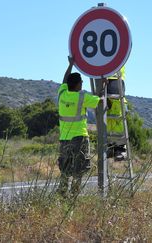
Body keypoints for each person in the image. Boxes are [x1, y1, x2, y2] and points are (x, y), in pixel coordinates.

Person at [57, 56, 103, 198]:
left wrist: (70, 65)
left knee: (65, 170)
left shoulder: (62, 94)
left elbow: (65, 80)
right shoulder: (82, 97)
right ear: (77, 85)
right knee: (79, 170)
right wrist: (105, 85)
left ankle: (62, 194)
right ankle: (74, 195)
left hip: (64, 139)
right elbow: (100, 100)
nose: (82, 84)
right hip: (79, 138)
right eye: (81, 82)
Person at [106, 66, 127, 160]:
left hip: (114, 79)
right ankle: (111, 146)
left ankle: (120, 148)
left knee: (117, 120)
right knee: (110, 121)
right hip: (108, 80)